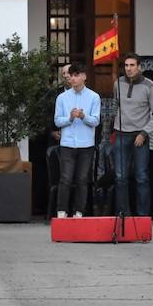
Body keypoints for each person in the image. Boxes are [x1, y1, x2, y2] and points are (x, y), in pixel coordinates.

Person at [110, 56, 153, 217]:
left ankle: (142, 216)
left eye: (132, 65)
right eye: (126, 65)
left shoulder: (149, 85)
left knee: (141, 176)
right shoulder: (118, 83)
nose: (129, 68)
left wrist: (144, 133)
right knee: (120, 177)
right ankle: (123, 214)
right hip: (120, 134)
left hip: (140, 135)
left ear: (139, 66)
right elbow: (115, 105)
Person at [53, 64, 100, 217]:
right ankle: (62, 211)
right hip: (67, 144)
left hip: (86, 145)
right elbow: (57, 121)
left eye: (76, 75)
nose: (72, 78)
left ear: (84, 77)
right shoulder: (62, 97)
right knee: (65, 179)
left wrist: (83, 116)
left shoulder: (94, 97)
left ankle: (79, 211)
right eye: (71, 75)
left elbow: (96, 121)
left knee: (82, 180)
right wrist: (70, 118)